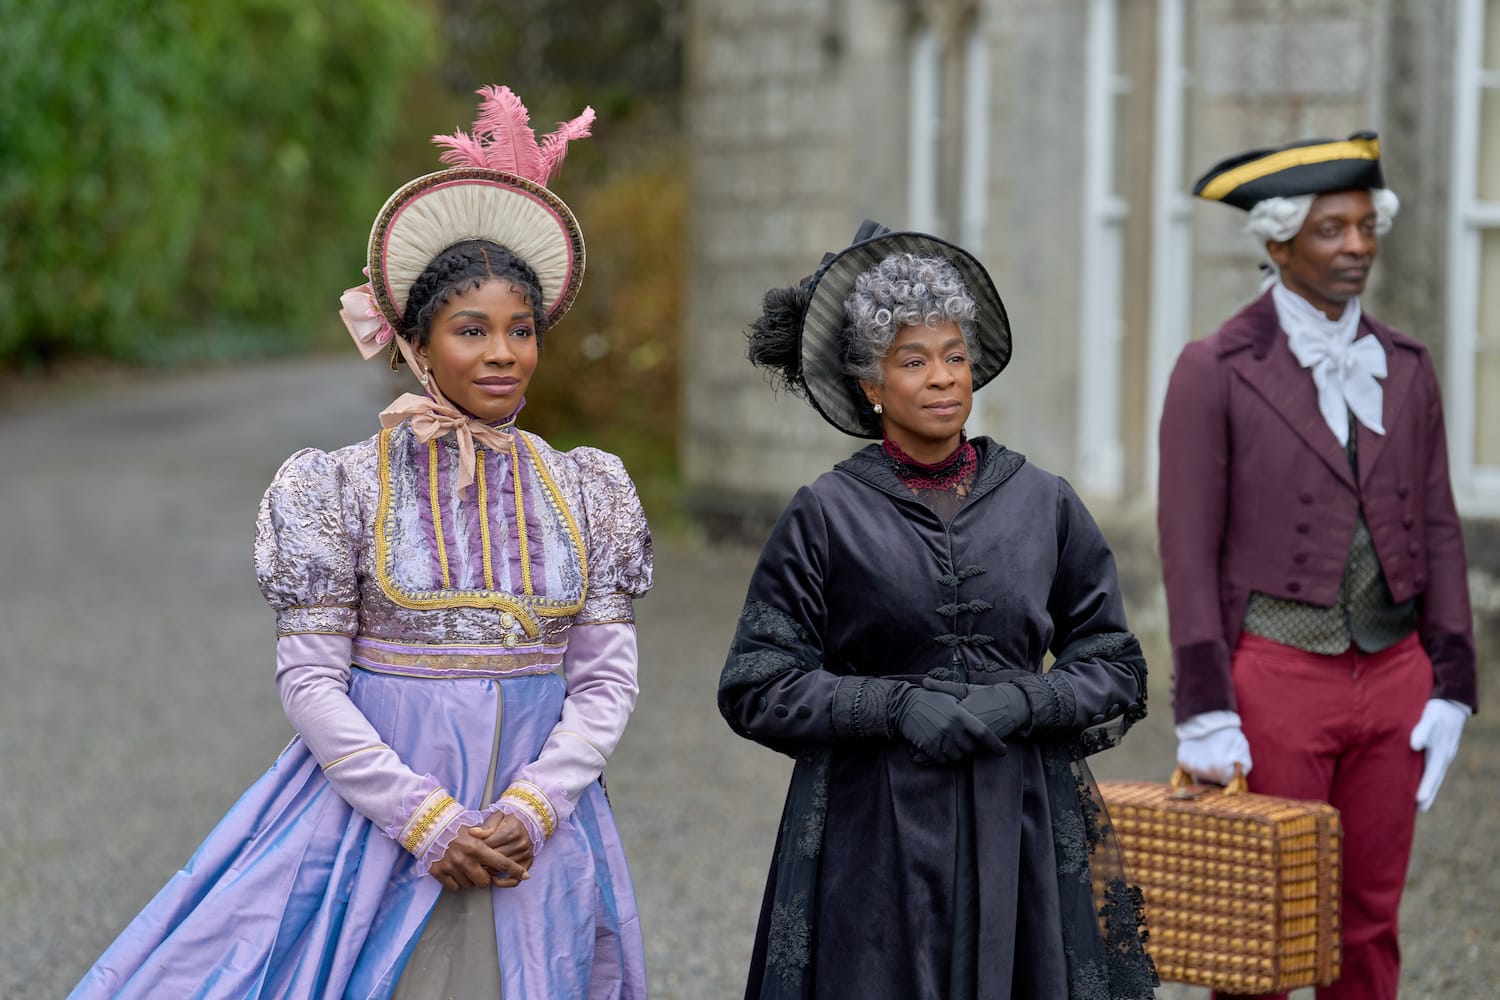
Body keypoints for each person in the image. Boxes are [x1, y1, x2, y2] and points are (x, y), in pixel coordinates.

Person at [70, 85, 652, 999]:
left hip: (537, 836)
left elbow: (607, 679)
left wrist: (533, 809)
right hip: (372, 830)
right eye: (472, 331)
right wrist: (425, 821)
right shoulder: (339, 488)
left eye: (521, 330)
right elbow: (310, 681)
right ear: (415, 345)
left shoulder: (585, 489)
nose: (502, 353)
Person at [717, 220, 1158, 1000]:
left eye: (955, 357)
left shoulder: (1044, 502)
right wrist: (895, 705)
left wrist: (1025, 698)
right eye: (912, 361)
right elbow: (757, 682)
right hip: (871, 831)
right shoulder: (826, 514)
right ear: (870, 385)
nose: (942, 378)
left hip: (1019, 815)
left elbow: (1115, 664)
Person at [1157, 131, 1480, 1000]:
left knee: (1368, 925)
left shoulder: (1406, 367)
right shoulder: (1212, 369)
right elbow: (1185, 551)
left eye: (1368, 227)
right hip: (1275, 678)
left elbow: (1440, 527)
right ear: (1277, 241)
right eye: (1334, 230)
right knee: (1257, 931)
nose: (1358, 248)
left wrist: (1452, 680)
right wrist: (1205, 708)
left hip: (1395, 675)